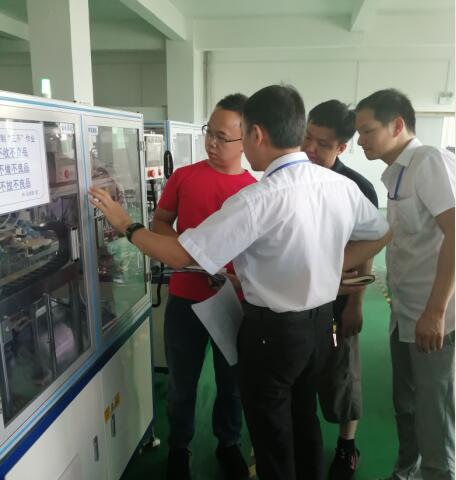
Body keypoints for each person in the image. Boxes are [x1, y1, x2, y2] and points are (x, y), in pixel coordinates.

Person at [89, 84, 392, 480]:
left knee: (271, 434)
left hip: (272, 334)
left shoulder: (258, 198)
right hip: (318, 326)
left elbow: (180, 255)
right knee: (304, 419)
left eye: (238, 134)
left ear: (256, 135)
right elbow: (381, 232)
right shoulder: (339, 186)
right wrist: (329, 268)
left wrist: (125, 224)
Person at [152, 93, 256, 480]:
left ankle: (228, 443)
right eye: (208, 133)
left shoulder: (253, 190)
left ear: (246, 140)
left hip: (233, 302)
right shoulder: (184, 177)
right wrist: (186, 253)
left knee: (232, 384)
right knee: (182, 383)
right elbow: (160, 222)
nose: (211, 143)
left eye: (221, 137)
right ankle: (179, 447)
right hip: (185, 299)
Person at [355, 88, 455, 480]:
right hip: (405, 311)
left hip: (434, 316)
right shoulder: (397, 173)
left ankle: (437, 473)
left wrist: (436, 311)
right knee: (407, 402)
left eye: (367, 131)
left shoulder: (428, 162)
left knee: (434, 409)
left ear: (397, 125)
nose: (360, 141)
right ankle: (407, 469)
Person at [303, 99, 378, 480]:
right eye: (307, 137)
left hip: (338, 301)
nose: (310, 149)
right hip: (298, 301)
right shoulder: (293, 177)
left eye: (323, 144)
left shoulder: (357, 187)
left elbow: (368, 250)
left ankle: (347, 446)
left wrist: (355, 304)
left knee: (343, 374)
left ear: (343, 147)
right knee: (299, 376)